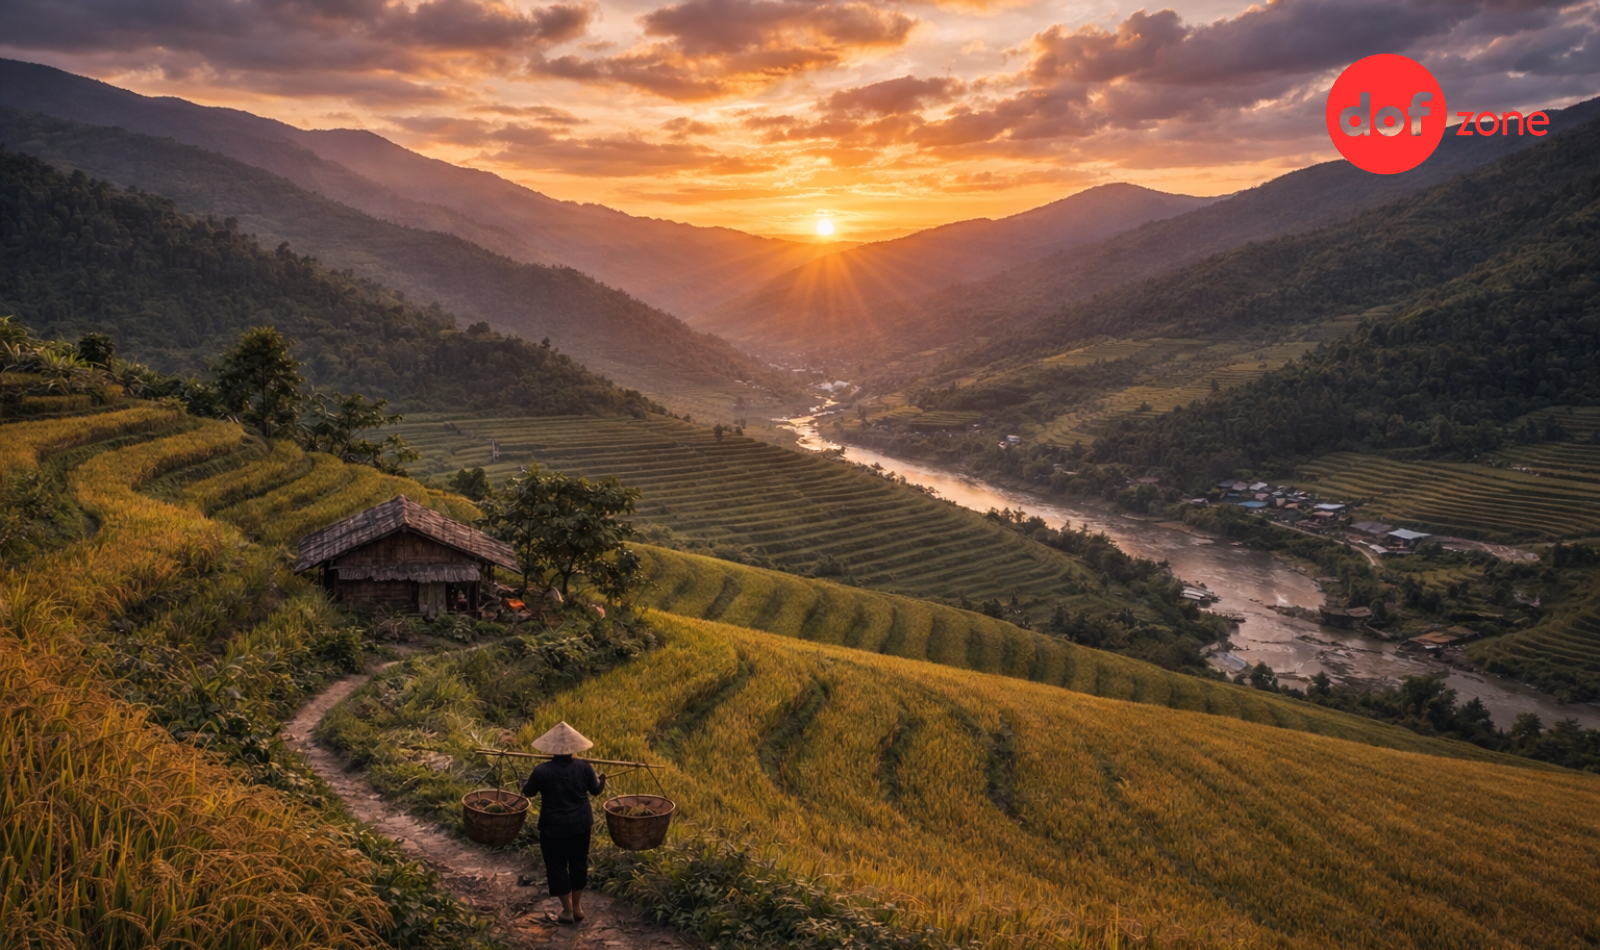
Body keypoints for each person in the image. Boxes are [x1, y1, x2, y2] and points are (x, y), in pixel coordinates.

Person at [521, 721, 607, 924]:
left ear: (551, 750)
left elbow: (529, 792)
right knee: (578, 862)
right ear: (573, 749)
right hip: (580, 824)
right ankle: (578, 907)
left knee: (556, 866)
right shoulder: (584, 767)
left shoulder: (542, 771)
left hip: (553, 826)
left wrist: (523, 783)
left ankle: (567, 909)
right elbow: (595, 790)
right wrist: (602, 780)